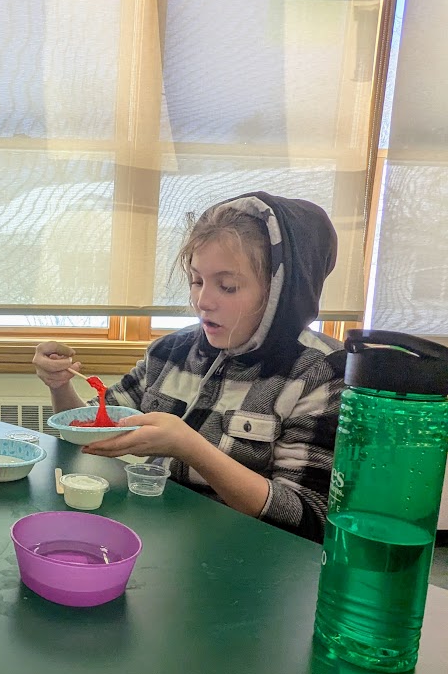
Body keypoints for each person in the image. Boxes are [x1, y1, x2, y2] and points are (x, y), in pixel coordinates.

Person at [33, 192, 346, 543]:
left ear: (280, 293)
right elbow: (93, 428)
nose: (202, 301)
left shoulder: (322, 372)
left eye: (228, 286)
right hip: (163, 539)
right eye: (197, 280)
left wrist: (190, 446)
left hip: (250, 554)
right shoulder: (172, 352)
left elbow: (308, 516)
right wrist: (60, 385)